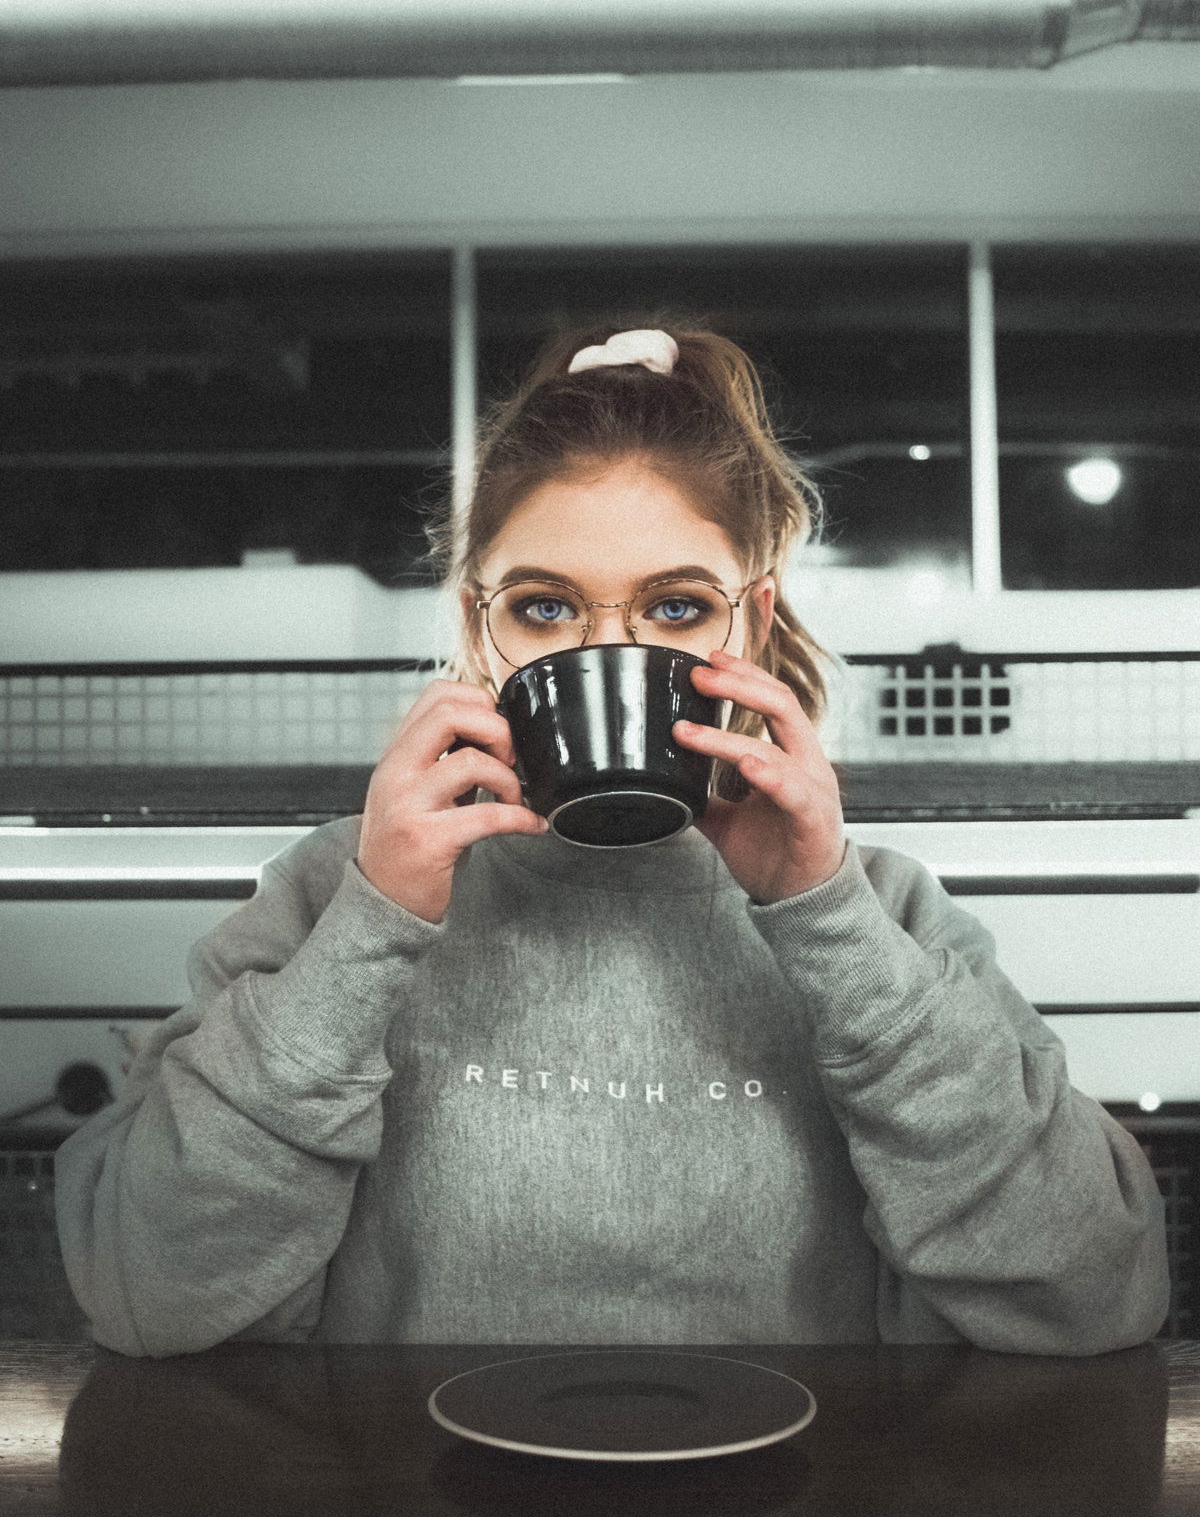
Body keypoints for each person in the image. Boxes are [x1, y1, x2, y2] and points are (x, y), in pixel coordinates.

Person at [55, 321, 1170, 1360]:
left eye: (677, 607)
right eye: (544, 608)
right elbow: (146, 1290)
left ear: (755, 619)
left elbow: (1094, 1293)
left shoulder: (881, 908)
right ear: (474, 623)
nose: (610, 653)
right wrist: (373, 922)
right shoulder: (334, 890)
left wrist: (827, 917)